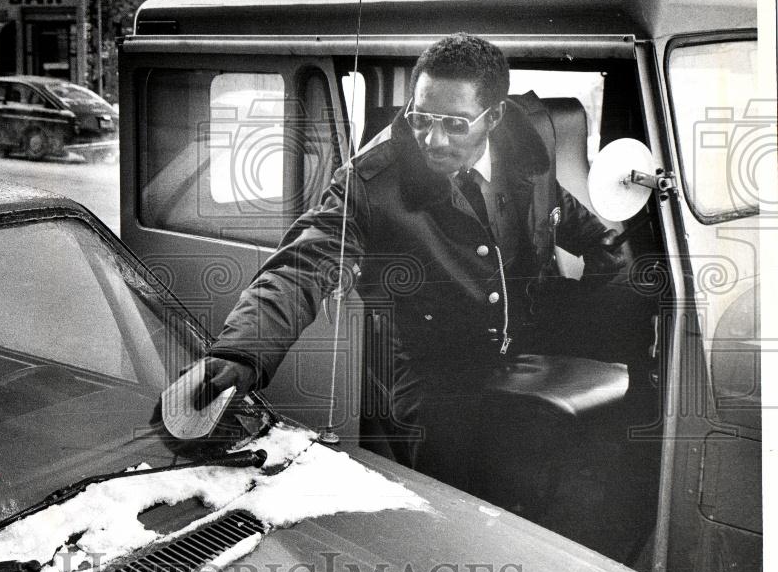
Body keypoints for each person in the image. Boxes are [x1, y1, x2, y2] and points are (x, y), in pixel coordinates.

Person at [190, 34, 637, 490]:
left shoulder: (525, 149)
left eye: (456, 124)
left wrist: (609, 272)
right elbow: (304, 263)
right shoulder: (370, 182)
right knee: (455, 496)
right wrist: (243, 350)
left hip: (529, 341)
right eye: (421, 118)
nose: (433, 139)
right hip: (435, 376)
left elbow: (565, 216)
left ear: (495, 116)